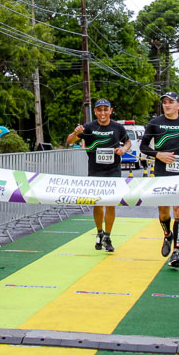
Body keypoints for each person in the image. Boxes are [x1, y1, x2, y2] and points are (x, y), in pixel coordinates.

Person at [140, 91, 179, 268]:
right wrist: (158, 154)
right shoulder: (155, 123)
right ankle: (167, 235)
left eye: (171, 102)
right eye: (165, 102)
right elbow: (143, 146)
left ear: (178, 105)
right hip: (161, 174)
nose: (167, 105)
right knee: (164, 212)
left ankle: (176, 252)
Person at [66, 98, 131, 253]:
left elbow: (127, 142)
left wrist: (124, 149)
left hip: (113, 171)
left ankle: (108, 236)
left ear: (110, 111)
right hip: (95, 171)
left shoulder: (117, 127)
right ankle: (99, 231)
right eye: (99, 110)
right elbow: (70, 141)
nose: (103, 113)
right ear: (95, 112)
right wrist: (76, 133)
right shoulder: (88, 127)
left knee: (110, 204)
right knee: (97, 204)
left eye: (105, 109)